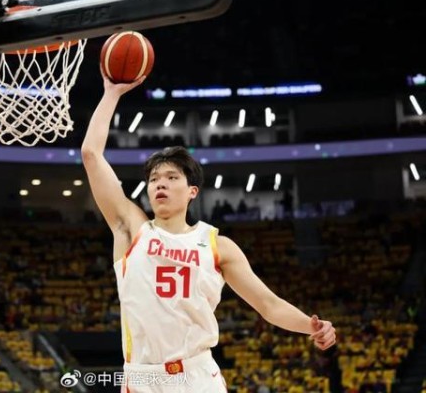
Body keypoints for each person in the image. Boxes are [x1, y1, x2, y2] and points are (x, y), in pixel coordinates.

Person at [80, 71, 336, 393]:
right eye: (154, 179)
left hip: (197, 376)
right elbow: (91, 155)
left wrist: (311, 326)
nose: (160, 183)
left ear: (192, 191)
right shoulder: (131, 229)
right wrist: (112, 93)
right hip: (142, 378)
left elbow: (268, 305)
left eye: (172, 177)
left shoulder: (217, 245)